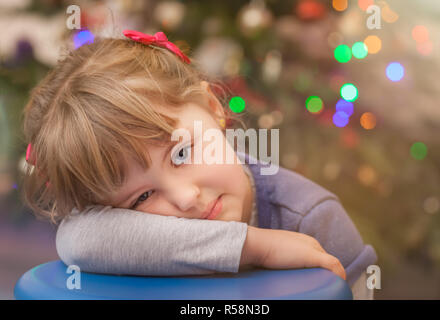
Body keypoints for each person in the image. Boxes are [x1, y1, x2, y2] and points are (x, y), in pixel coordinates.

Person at [22, 30, 377, 299]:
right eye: (141, 197)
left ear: (212, 108)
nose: (187, 198)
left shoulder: (313, 219)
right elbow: (78, 240)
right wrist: (256, 246)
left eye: (182, 153)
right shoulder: (113, 234)